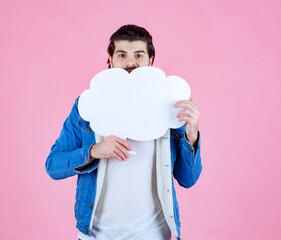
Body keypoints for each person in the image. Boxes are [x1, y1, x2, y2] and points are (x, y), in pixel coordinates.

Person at [45, 24, 202, 240]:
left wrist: (191, 135)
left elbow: (188, 180)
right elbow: (53, 166)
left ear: (151, 60)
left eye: (139, 54)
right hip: (96, 235)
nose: (130, 62)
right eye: (121, 55)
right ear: (110, 61)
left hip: (154, 234)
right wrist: (93, 151)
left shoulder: (170, 107)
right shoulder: (87, 106)